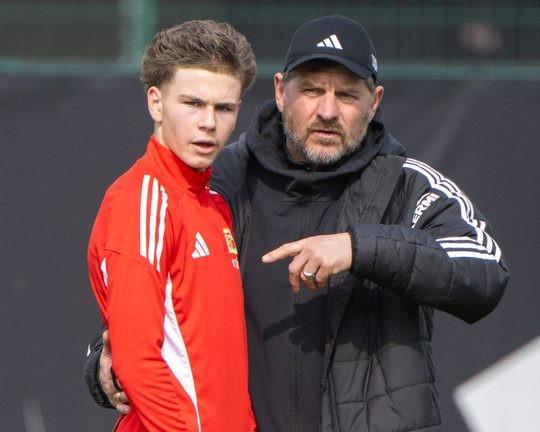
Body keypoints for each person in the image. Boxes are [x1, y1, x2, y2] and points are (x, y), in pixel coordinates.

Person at [85, 15, 509, 432]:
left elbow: (486, 271)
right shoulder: (220, 179)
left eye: (347, 95)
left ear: (375, 102)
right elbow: (158, 303)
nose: (327, 110)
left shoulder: (407, 185)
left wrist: (358, 247)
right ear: (280, 91)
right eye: (311, 90)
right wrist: (105, 358)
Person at [86, 20, 257, 432]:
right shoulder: (142, 200)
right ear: (156, 103)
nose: (209, 122)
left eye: (224, 108)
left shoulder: (214, 203)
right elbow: (137, 358)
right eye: (193, 104)